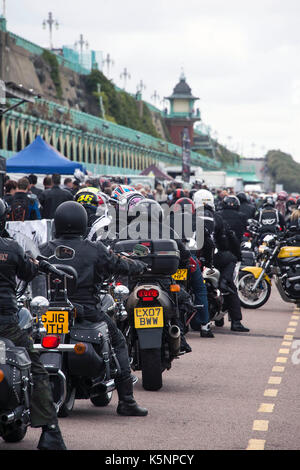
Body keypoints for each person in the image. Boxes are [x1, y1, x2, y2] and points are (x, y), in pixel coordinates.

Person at [39, 201, 148, 417]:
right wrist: (139, 265)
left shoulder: (44, 248)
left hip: (49, 311)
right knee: (118, 342)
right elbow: (121, 265)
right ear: (82, 223)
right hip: (86, 311)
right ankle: (126, 401)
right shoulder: (94, 249)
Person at [0, 198, 66, 450]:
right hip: (6, 323)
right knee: (38, 370)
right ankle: (50, 432)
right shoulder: (12, 247)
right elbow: (28, 272)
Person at [194, 189, 250, 333]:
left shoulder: (189, 218)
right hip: (212, 258)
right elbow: (226, 241)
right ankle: (236, 321)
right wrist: (237, 256)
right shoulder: (217, 218)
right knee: (229, 284)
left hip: (193, 258)